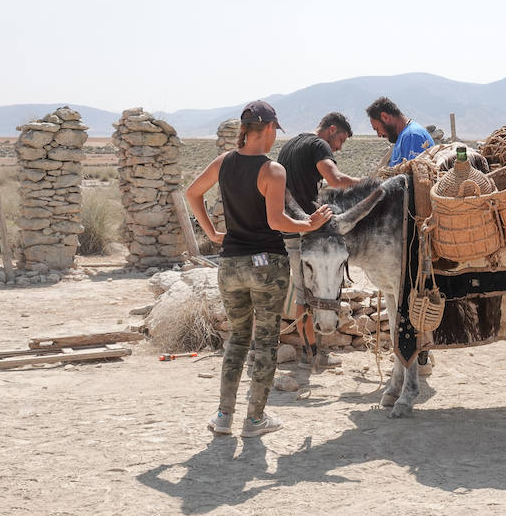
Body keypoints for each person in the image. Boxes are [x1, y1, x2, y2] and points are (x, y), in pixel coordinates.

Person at [186, 100, 333, 437]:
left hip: (230, 265)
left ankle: (223, 416)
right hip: (266, 265)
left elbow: (192, 193)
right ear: (268, 129)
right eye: (273, 132)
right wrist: (309, 224)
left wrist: (211, 233)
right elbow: (275, 220)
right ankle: (254, 421)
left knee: (238, 340)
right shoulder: (272, 170)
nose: (273, 139)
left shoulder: (223, 162)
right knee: (265, 343)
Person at [277, 112, 360, 367]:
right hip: (307, 230)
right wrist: (369, 184)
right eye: (341, 139)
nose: (339, 147)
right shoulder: (318, 144)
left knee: (306, 291)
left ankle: (312, 352)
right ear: (331, 129)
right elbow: (334, 179)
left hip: (289, 227)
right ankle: (311, 356)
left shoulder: (290, 144)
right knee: (307, 293)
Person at [366, 96, 434, 167]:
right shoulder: (402, 137)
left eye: (377, 129)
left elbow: (416, 175)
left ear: (385, 117)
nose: (379, 135)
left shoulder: (412, 136)